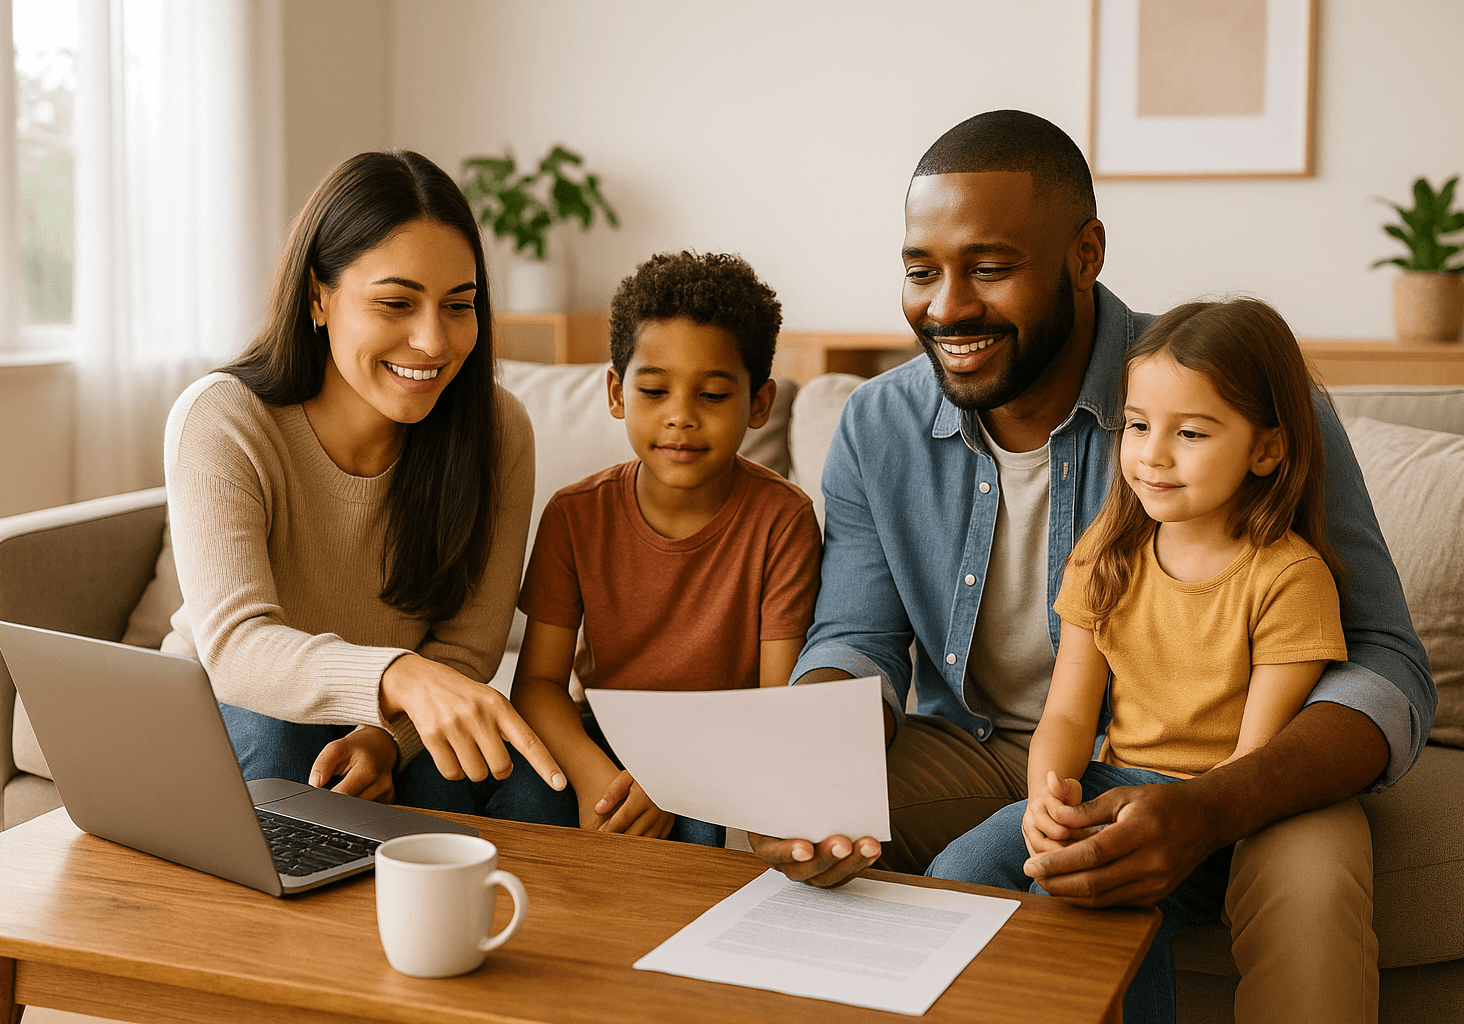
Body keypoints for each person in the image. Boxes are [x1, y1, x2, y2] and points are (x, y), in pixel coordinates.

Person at [752, 111, 1434, 1024]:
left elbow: (1386, 663)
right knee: (765, 830)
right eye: (921, 272)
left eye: (990, 268)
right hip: (990, 748)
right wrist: (811, 768)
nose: (947, 306)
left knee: (1309, 885)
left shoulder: (1232, 400)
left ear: (1085, 254)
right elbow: (855, 637)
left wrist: (1216, 808)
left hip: (1230, 762)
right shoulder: (876, 425)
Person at [926, 298, 1350, 1023]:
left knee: (1088, 906)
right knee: (953, 874)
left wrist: (1171, 817)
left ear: (1267, 449)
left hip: (1213, 808)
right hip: (1108, 779)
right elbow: (1066, 709)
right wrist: (1047, 797)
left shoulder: (1288, 576)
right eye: (1139, 426)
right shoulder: (1106, 553)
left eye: (1190, 433)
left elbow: (1256, 759)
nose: (1152, 455)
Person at [162, 150, 566, 814]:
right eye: (396, 303)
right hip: (240, 707)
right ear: (318, 298)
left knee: (525, 778)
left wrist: (386, 736)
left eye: (458, 306)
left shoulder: (497, 431)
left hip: (388, 715)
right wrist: (397, 677)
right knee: (287, 746)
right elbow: (236, 648)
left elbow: (468, 648)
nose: (433, 341)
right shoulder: (225, 418)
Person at [487, 251, 822, 845]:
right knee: (520, 796)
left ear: (760, 404)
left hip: (724, 746)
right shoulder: (574, 515)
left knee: (698, 827)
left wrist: (671, 776)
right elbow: (538, 683)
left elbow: (776, 706)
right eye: (654, 391)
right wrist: (598, 782)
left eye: (714, 396)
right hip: (604, 739)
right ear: (617, 393)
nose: (680, 418)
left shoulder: (783, 520)